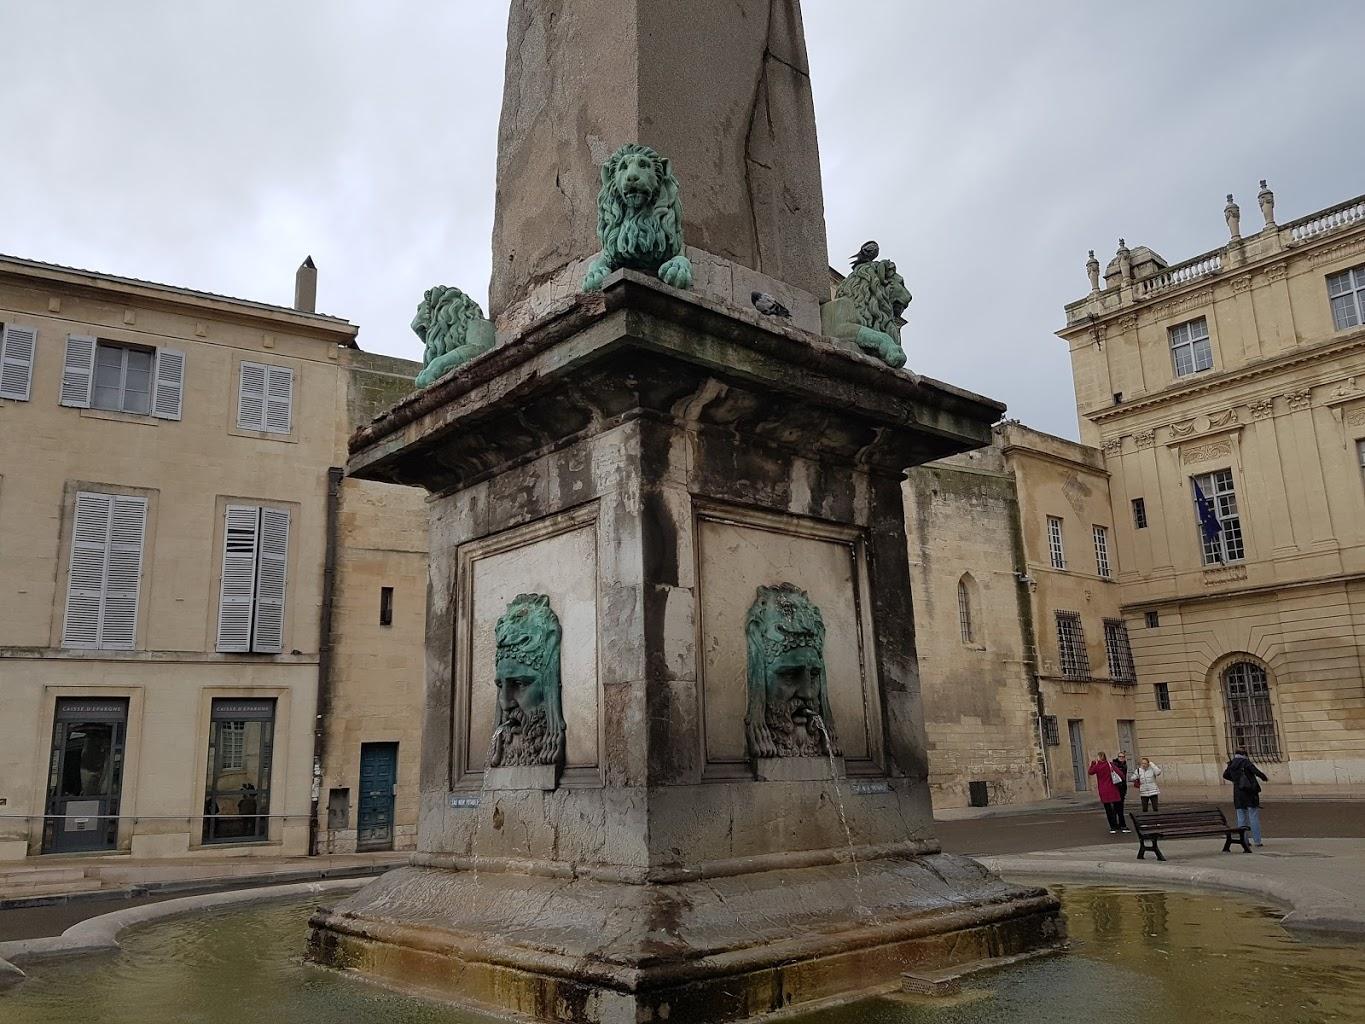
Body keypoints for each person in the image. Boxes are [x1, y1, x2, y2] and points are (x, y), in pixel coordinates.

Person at [1223, 749, 1269, 847]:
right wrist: (1264, 778)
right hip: (1249, 793)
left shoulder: (1231, 764)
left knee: (1241, 818)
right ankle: (1257, 841)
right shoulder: (1246, 762)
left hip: (1238, 794)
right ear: (1244, 755)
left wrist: (1236, 780)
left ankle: (1244, 841)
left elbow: (1225, 775)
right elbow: (1257, 772)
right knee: (1253, 816)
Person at [1088, 751, 1129, 834]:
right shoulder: (1110, 764)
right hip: (1113, 789)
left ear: (1098, 758)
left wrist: (1092, 764)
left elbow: (1090, 772)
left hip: (1103, 790)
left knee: (1108, 810)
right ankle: (1123, 826)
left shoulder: (1097, 766)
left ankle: (1113, 827)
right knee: (1118, 808)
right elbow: (1120, 774)